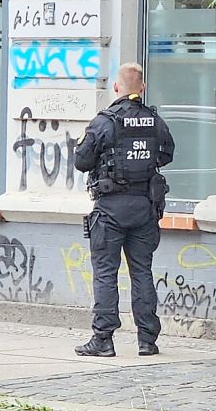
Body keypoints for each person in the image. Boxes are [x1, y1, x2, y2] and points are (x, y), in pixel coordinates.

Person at [73, 63, 174, 357]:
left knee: (106, 273)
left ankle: (103, 340)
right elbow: (167, 154)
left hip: (110, 208)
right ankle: (147, 340)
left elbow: (81, 160)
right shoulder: (155, 121)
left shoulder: (105, 122)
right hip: (144, 207)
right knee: (142, 271)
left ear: (116, 87)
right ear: (142, 88)